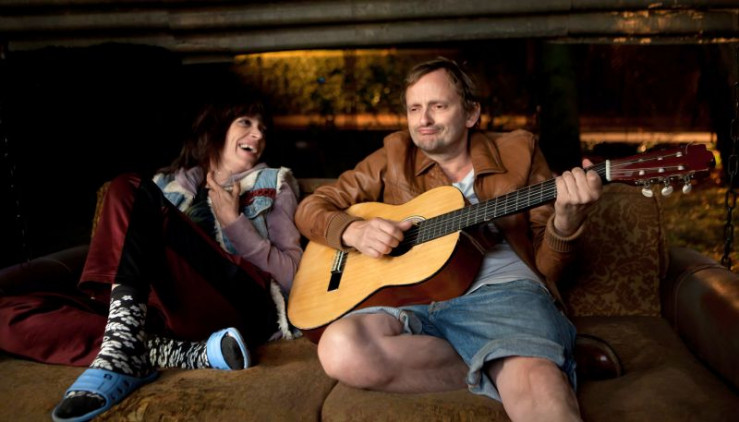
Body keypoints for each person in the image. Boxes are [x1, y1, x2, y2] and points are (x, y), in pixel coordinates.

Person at [294, 57, 602, 421]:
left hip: (500, 293)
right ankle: (507, 357)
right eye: (414, 108)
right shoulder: (392, 157)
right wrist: (353, 230)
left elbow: (549, 267)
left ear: (471, 114)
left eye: (438, 106)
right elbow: (312, 208)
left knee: (536, 387)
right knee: (340, 348)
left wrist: (565, 224)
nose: (423, 120)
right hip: (409, 298)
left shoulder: (520, 152)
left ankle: (527, 355)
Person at [0, 86, 303, 422]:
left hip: (240, 302)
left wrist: (234, 223)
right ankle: (168, 351)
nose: (258, 134)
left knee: (127, 185)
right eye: (246, 122)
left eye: (263, 128)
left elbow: (292, 275)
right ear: (216, 127)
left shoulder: (274, 183)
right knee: (6, 315)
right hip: (163, 313)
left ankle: (128, 345)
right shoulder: (167, 185)